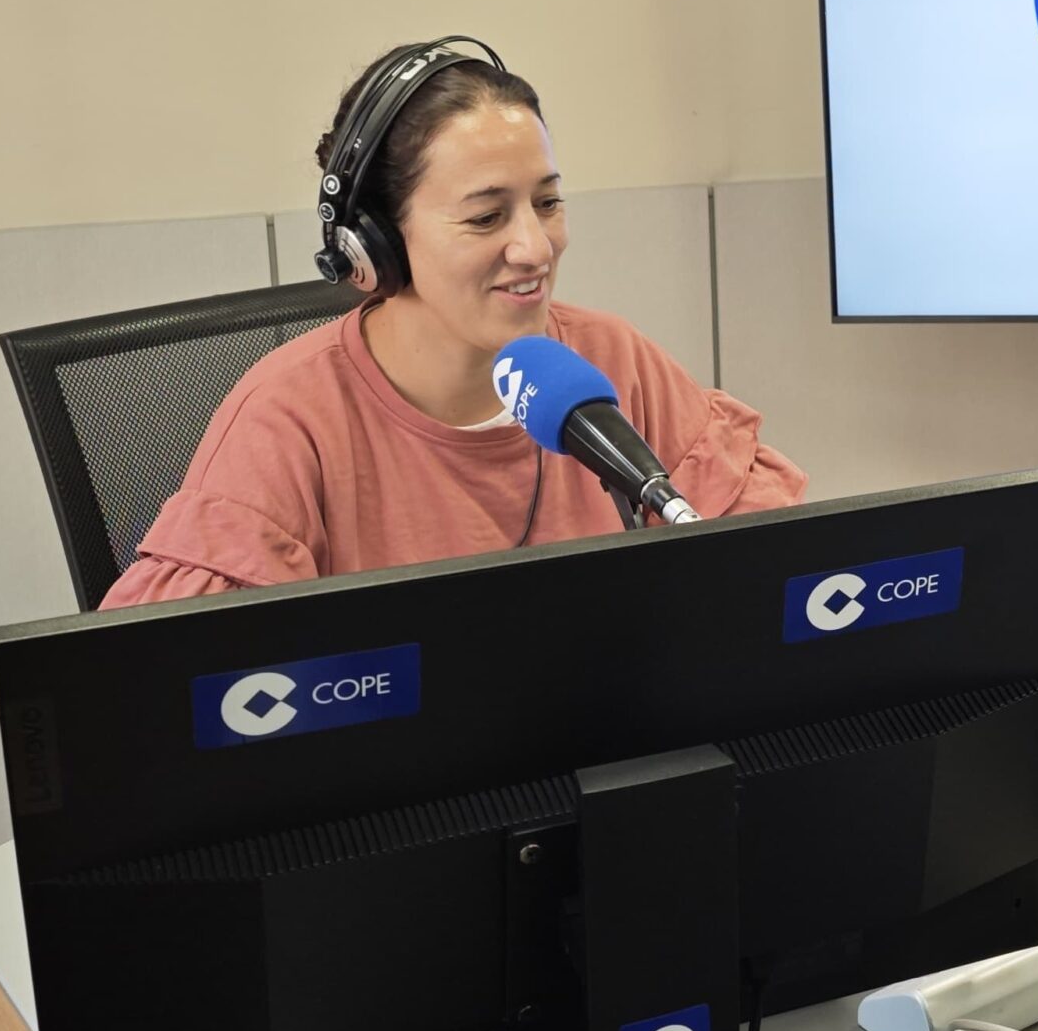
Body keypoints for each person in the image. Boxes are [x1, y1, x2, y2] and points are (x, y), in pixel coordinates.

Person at [100, 39, 805, 607]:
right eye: (486, 217)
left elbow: (774, 578)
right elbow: (183, 685)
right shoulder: (287, 420)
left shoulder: (612, 361)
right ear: (376, 244)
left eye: (548, 204)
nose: (535, 248)